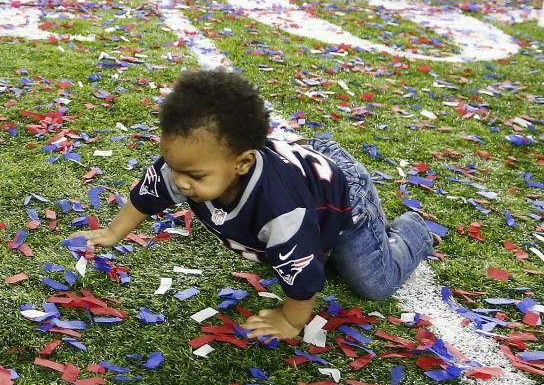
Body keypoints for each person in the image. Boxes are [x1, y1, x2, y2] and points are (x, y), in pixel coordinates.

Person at [78, 69, 435, 340]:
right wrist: (114, 231)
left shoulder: (280, 210)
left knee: (374, 283)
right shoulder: (188, 166)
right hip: (302, 171)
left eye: (195, 176)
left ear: (242, 163)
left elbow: (303, 276)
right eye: (174, 166)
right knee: (293, 253)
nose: (180, 182)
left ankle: (415, 231)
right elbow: (147, 194)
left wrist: (292, 320)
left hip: (340, 194)